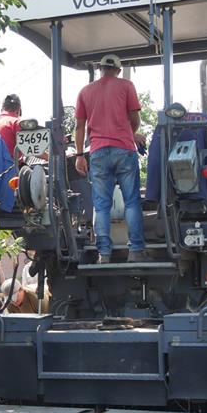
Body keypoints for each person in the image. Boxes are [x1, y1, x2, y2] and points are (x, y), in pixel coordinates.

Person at [74, 54, 146, 264]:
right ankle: (135, 251)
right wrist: (130, 134)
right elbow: (135, 118)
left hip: (97, 152)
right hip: (124, 150)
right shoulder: (126, 86)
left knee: (101, 205)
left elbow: (80, 126)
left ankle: (103, 254)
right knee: (132, 201)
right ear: (117, 69)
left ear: (100, 68)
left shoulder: (85, 92)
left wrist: (79, 155)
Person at [0, 93, 23, 162]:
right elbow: (30, 148)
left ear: (2, 109)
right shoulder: (15, 122)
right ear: (18, 110)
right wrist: (48, 157)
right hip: (9, 169)